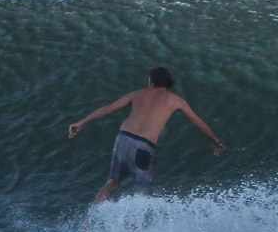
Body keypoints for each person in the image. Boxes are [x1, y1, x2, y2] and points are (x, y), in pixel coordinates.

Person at [69, 66, 224, 204]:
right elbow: (200, 124)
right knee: (142, 192)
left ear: (151, 81)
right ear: (169, 83)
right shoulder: (176, 100)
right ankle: (136, 231)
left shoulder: (137, 94)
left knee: (112, 182)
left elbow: (108, 109)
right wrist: (216, 141)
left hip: (122, 138)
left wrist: (81, 122)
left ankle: (89, 221)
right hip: (144, 146)